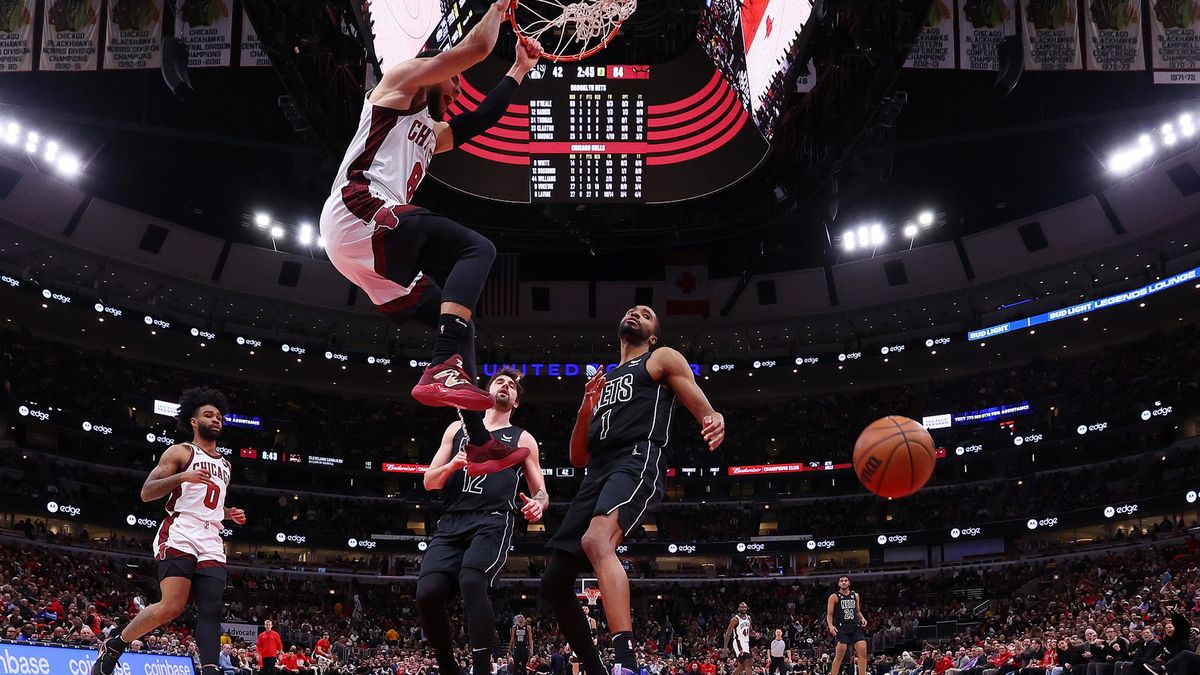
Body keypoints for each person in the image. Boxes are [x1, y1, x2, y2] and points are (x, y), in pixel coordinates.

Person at [319, 0, 543, 477]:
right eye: (455, 79)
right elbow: (478, 47)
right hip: (357, 209)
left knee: (459, 322)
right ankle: (442, 366)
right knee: (476, 248)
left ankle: (478, 443)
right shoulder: (399, 84)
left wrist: (521, 70)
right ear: (433, 69)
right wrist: (499, 8)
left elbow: (479, 120)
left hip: (368, 248)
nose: (459, 89)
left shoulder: (429, 134)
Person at [540, 305, 726, 675]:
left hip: (637, 457)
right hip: (596, 472)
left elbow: (696, 396)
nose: (636, 314)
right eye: (631, 311)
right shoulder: (603, 382)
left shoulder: (659, 358)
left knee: (596, 541)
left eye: (646, 313)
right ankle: (596, 669)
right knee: (554, 581)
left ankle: (626, 663)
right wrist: (585, 408)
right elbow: (578, 457)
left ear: (653, 335)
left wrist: (712, 415)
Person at [91, 387, 246, 675]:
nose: (216, 420)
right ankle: (117, 643)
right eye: (208, 415)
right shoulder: (180, 451)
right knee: (172, 606)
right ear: (193, 421)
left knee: (211, 609)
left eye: (219, 417)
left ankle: (211, 669)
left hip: (211, 536)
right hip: (181, 530)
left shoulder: (225, 465)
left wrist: (227, 514)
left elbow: (207, 503)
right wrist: (182, 476)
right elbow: (147, 493)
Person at [416, 368, 549, 675]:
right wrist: (453, 465)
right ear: (486, 393)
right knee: (427, 594)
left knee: (472, 580)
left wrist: (538, 505)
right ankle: (449, 668)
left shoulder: (522, 437)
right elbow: (429, 482)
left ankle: (481, 669)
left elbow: (540, 490)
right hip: (452, 520)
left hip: (493, 519)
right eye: (499, 381)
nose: (505, 386)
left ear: (515, 401)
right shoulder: (456, 429)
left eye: (512, 386)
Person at [827, 576, 868, 675]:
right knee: (840, 653)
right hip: (841, 627)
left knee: (863, 649)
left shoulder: (855, 595)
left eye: (845, 581)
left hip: (854, 626)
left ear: (849, 583)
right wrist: (831, 626)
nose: (843, 582)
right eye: (841, 581)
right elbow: (829, 614)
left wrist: (862, 618)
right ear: (838, 584)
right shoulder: (834, 597)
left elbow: (857, 612)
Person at [723, 603, 753, 675]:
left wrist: (756, 634)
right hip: (738, 642)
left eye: (745, 607)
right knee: (749, 662)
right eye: (742, 607)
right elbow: (728, 634)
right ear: (739, 609)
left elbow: (750, 632)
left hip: (746, 644)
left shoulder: (749, 618)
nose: (744, 609)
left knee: (741, 667)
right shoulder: (735, 619)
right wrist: (725, 648)